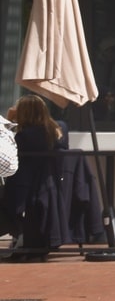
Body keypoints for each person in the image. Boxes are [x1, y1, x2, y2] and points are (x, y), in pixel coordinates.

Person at [1, 94, 66, 260]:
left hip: (24, 188)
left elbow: (6, 150)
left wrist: (9, 122)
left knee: (4, 199)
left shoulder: (24, 136)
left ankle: (20, 234)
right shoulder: (57, 131)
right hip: (49, 186)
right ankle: (21, 236)